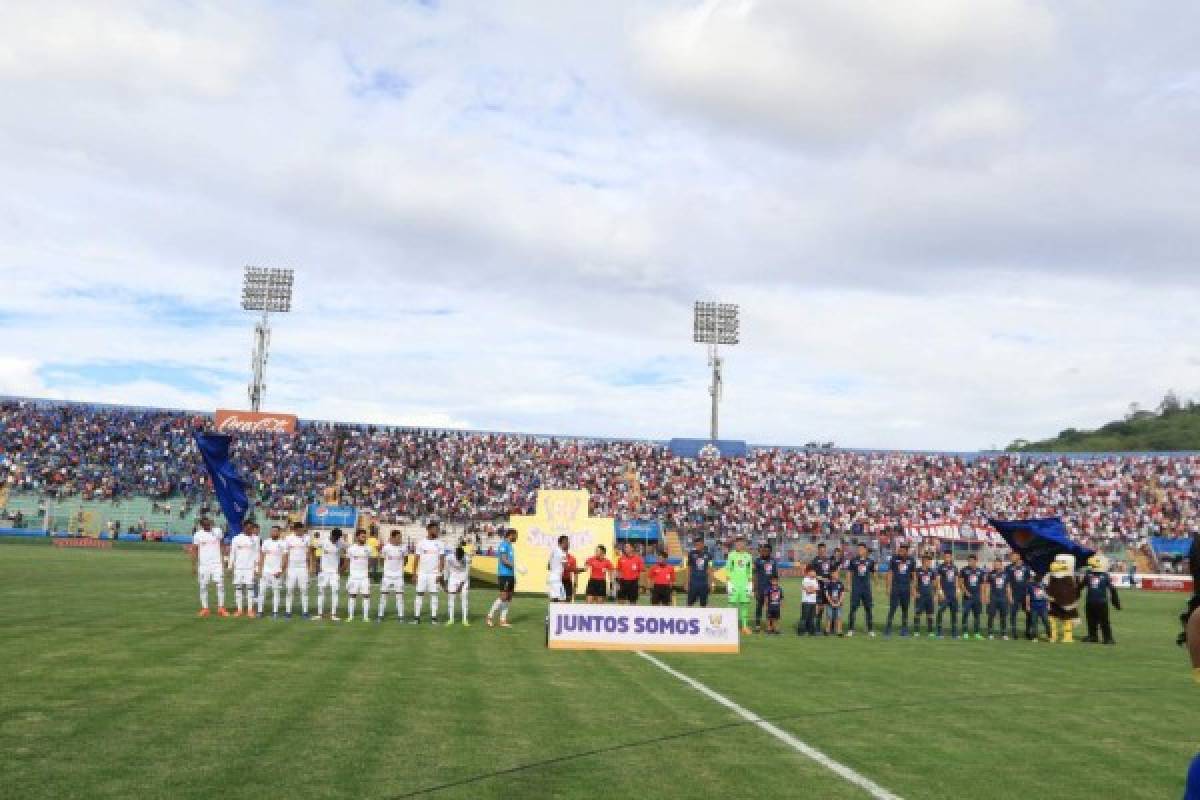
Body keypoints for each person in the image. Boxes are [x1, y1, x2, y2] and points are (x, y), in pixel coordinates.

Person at [1079, 556, 1120, 645]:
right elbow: (1081, 586)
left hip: (1101, 602)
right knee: (1090, 620)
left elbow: (1112, 589)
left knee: (1104, 621)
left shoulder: (1105, 576)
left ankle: (1108, 638)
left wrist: (1115, 602)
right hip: (1090, 601)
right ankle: (1093, 636)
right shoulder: (1088, 574)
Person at [192, 515, 227, 617]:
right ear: (202, 525)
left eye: (209, 524)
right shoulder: (198, 535)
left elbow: (222, 545)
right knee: (203, 586)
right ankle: (205, 608)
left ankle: (221, 608)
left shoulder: (218, 531)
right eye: (206, 524)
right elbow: (194, 549)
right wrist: (194, 566)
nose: (208, 526)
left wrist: (224, 559)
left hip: (217, 564)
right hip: (203, 565)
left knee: (220, 585)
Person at [413, 521, 445, 624]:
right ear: (429, 529)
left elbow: (442, 560)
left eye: (437, 529)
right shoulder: (421, 543)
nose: (436, 531)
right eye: (435, 529)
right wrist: (414, 573)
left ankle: (434, 619)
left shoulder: (440, 543)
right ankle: (416, 618)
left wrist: (440, 574)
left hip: (434, 574)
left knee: (434, 595)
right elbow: (416, 559)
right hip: (422, 573)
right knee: (419, 594)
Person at [227, 521, 260, 618]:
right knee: (238, 589)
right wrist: (230, 567)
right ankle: (239, 610)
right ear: (243, 527)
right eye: (248, 528)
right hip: (239, 568)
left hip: (250, 568)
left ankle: (250, 610)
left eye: (251, 528)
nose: (249, 530)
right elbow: (232, 553)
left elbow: (257, 553)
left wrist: (257, 568)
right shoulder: (236, 539)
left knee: (250, 589)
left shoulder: (256, 539)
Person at [487, 528, 518, 628]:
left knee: (509, 597)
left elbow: (509, 561)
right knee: (503, 596)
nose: (516, 537)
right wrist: (516, 566)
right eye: (515, 535)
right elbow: (503, 560)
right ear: (510, 535)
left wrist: (514, 575)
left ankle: (502, 620)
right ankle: (489, 616)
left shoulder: (510, 546)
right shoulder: (503, 545)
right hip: (504, 575)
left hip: (510, 575)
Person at [884, 542, 915, 637]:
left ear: (907, 551)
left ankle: (904, 629)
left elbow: (914, 575)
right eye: (900, 549)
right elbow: (889, 573)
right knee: (893, 608)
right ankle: (888, 628)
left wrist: (913, 588)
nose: (900, 551)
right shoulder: (894, 559)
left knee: (905, 610)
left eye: (903, 550)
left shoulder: (911, 560)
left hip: (906, 588)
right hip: (896, 588)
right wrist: (888, 587)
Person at [282, 522, 311, 619]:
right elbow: (285, 554)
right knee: (290, 590)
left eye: (302, 530)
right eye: (299, 530)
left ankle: (305, 612)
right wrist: (285, 568)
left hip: (303, 568)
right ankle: (288, 612)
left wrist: (310, 567)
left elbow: (309, 553)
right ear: (294, 530)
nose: (301, 532)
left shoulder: (307, 538)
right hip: (291, 567)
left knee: (304, 590)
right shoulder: (288, 538)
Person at [725, 536, 754, 636]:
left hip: (744, 584)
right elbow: (728, 569)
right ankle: (730, 626)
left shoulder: (748, 556)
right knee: (731, 605)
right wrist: (729, 583)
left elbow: (749, 571)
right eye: (737, 543)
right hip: (734, 584)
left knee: (744, 605)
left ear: (744, 544)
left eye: (741, 543)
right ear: (735, 544)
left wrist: (750, 584)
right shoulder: (731, 555)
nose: (739, 545)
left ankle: (744, 627)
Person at [845, 543, 875, 637]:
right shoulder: (853, 560)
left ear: (865, 550)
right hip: (856, 588)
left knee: (868, 609)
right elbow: (849, 573)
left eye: (862, 549)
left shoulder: (870, 561)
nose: (860, 550)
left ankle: (870, 629)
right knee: (853, 608)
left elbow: (873, 573)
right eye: (859, 549)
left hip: (866, 588)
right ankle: (850, 629)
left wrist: (875, 585)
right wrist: (849, 585)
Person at [315, 528, 345, 620]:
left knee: (335, 592)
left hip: (334, 572)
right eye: (335, 537)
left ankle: (333, 615)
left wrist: (340, 569)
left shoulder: (341, 543)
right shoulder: (323, 541)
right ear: (332, 535)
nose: (336, 540)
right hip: (323, 571)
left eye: (338, 538)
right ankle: (319, 614)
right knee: (321, 592)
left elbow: (346, 554)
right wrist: (317, 565)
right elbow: (313, 550)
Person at [379, 530, 407, 623]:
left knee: (400, 597)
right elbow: (381, 559)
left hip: (398, 576)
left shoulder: (403, 548)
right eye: (398, 537)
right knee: (383, 596)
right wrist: (387, 570)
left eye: (400, 537)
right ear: (393, 537)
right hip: (387, 576)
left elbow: (405, 559)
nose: (400, 539)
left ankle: (401, 617)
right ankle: (380, 616)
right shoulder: (386, 548)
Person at [257, 525, 285, 618]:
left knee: (276, 592)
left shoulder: (283, 543)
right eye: (272, 531)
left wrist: (280, 571)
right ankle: (260, 612)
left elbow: (285, 558)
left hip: (276, 572)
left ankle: (275, 612)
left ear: (279, 532)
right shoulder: (266, 542)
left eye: (275, 531)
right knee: (261, 592)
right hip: (266, 571)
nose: (273, 533)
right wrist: (260, 570)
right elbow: (262, 556)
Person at [1006, 551, 1034, 641]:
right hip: (1014, 595)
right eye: (1010, 556)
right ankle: (1014, 633)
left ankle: (1028, 632)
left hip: (1025, 595)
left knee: (1029, 613)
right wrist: (1010, 596)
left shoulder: (1026, 567)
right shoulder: (1008, 568)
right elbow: (1008, 583)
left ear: (1018, 556)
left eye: (1012, 556)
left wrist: (1029, 594)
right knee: (1013, 614)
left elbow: (1030, 581)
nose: (1011, 557)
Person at [752, 543, 779, 633]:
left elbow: (775, 576)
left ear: (770, 552)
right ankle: (757, 624)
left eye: (766, 551)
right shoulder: (757, 561)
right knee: (759, 607)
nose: (764, 552)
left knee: (770, 607)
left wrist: (776, 588)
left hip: (770, 589)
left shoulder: (774, 561)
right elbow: (755, 575)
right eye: (762, 551)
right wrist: (754, 589)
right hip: (760, 588)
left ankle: (770, 625)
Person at [346, 530, 372, 621]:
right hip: (353, 577)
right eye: (362, 536)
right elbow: (347, 561)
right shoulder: (351, 548)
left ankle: (365, 617)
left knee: (366, 596)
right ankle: (350, 616)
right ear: (357, 537)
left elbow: (369, 561)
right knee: (352, 595)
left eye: (365, 537)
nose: (364, 538)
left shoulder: (368, 548)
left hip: (364, 577)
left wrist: (367, 572)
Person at [810, 543, 836, 633]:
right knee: (820, 608)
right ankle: (817, 628)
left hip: (830, 588)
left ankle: (831, 628)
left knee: (831, 606)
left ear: (825, 550)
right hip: (819, 587)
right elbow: (812, 574)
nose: (822, 551)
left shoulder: (829, 560)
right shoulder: (815, 561)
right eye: (820, 550)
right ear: (818, 550)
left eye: (824, 550)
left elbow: (833, 572)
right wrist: (822, 578)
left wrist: (833, 580)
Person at [445, 541, 471, 625]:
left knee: (464, 598)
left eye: (461, 557)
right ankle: (451, 619)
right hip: (453, 578)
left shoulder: (467, 558)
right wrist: (446, 582)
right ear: (455, 554)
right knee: (451, 598)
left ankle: (465, 620)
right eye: (458, 557)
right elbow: (447, 570)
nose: (459, 559)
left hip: (464, 579)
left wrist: (461, 584)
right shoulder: (449, 557)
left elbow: (467, 572)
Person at [960, 554, 985, 640]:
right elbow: (961, 583)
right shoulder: (964, 570)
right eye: (969, 561)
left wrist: (982, 595)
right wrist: (966, 592)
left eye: (971, 561)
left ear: (975, 561)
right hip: (967, 597)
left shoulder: (980, 571)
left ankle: (977, 633)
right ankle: (965, 632)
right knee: (965, 614)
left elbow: (982, 585)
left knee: (977, 615)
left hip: (977, 596)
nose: (970, 562)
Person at [935, 550, 960, 639]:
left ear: (951, 557)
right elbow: (938, 581)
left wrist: (957, 590)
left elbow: (956, 580)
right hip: (944, 594)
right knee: (940, 612)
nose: (947, 558)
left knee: (954, 613)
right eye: (945, 557)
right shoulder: (940, 567)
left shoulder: (955, 567)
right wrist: (940, 592)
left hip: (953, 594)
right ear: (943, 557)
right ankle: (939, 632)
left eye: (949, 557)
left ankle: (954, 633)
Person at [912, 552, 936, 637]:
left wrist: (934, 594)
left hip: (929, 595)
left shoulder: (932, 571)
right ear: (923, 561)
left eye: (930, 561)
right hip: (920, 595)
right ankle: (916, 631)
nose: (929, 562)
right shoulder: (917, 570)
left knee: (930, 614)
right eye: (928, 561)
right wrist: (914, 591)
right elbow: (914, 582)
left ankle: (930, 632)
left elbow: (934, 584)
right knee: (917, 613)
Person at [985, 557, 1010, 639]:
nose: (996, 565)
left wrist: (1009, 597)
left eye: (997, 564)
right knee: (991, 615)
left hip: (1003, 598)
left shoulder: (1006, 574)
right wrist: (987, 597)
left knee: (1003, 616)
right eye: (994, 564)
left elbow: (1008, 587)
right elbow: (988, 586)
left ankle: (1004, 634)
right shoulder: (990, 574)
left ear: (1001, 565)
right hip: (993, 598)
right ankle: (990, 633)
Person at [685, 537, 713, 607]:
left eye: (699, 545)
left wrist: (710, 583)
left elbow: (710, 569)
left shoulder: (708, 555)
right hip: (693, 583)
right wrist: (687, 582)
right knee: (689, 604)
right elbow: (688, 569)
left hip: (703, 583)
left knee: (703, 605)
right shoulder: (691, 554)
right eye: (696, 545)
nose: (697, 546)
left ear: (703, 544)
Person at [547, 535, 569, 603]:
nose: (568, 544)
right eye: (567, 542)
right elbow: (566, 567)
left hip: (551, 578)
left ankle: (551, 613)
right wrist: (580, 570)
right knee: (562, 598)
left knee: (554, 599)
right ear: (563, 542)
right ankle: (559, 613)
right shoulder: (562, 553)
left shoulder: (554, 551)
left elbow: (548, 566)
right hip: (556, 579)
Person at [799, 566, 820, 636]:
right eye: (813, 572)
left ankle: (811, 631)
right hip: (806, 601)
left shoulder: (815, 580)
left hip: (813, 602)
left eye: (815, 572)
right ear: (809, 572)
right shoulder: (805, 579)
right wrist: (812, 590)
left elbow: (817, 589)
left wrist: (812, 590)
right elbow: (808, 591)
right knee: (804, 617)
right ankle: (801, 631)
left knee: (812, 617)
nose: (814, 573)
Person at [825, 572, 845, 637]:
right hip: (830, 603)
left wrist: (839, 602)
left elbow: (842, 593)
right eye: (835, 574)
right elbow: (827, 594)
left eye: (837, 574)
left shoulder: (840, 583)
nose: (837, 575)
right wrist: (831, 602)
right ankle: (827, 630)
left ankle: (839, 631)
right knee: (829, 616)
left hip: (839, 603)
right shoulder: (828, 583)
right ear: (832, 575)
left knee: (839, 617)